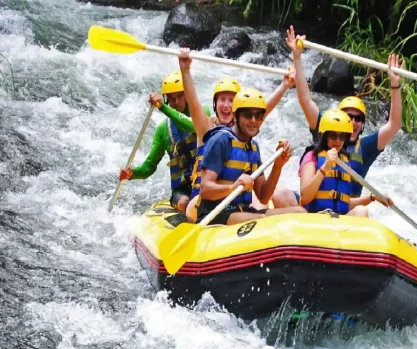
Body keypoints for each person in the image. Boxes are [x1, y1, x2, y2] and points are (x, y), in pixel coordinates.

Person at [270, 25, 405, 207]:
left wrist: (395, 85)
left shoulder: (366, 148)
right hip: (315, 204)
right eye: (349, 116)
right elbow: (305, 99)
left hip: (345, 208)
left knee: (361, 213)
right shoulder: (325, 130)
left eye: (358, 119)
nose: (353, 122)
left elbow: (395, 124)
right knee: (279, 195)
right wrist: (297, 58)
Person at [176, 48, 297, 220]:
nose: (226, 105)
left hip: (237, 204)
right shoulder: (210, 131)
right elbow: (194, 103)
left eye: (231, 100)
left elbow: (261, 110)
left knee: (294, 211)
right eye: (222, 100)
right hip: (207, 205)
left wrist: (285, 85)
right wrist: (185, 70)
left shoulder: (250, 142)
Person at [196, 87, 307, 225]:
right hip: (215, 214)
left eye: (259, 115)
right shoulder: (221, 140)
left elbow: (263, 196)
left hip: (243, 211)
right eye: (248, 115)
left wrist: (278, 166)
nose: (253, 120)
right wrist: (232, 188)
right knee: (261, 221)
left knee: (299, 212)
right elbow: (205, 189)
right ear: (236, 116)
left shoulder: (253, 147)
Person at [118, 72, 211, 212]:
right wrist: (132, 174)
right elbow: (150, 165)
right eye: (171, 99)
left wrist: (163, 107)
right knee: (185, 203)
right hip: (182, 190)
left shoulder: (203, 113)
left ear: (187, 95)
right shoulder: (163, 129)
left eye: (180, 96)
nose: (176, 102)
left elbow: (190, 126)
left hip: (204, 182)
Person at [299, 109, 392, 217]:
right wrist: (325, 167)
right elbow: (305, 198)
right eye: (333, 136)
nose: (338, 141)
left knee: (361, 211)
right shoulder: (311, 156)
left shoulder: (344, 161)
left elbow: (345, 202)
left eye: (342, 136)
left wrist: (372, 197)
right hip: (314, 218)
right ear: (324, 136)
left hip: (337, 221)